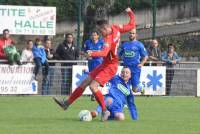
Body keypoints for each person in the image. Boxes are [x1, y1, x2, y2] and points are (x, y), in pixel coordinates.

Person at [53, 7, 136, 122]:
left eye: (100, 30)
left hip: (111, 66)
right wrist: (130, 12)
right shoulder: (116, 28)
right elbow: (131, 25)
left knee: (93, 86)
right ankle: (66, 103)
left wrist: (92, 53)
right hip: (105, 64)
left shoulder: (108, 38)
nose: (100, 33)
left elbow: (104, 52)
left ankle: (105, 110)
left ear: (105, 28)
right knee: (85, 82)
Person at [119, 28, 148, 93]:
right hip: (126, 68)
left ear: (136, 35)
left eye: (133, 33)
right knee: (123, 86)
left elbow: (145, 56)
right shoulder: (125, 44)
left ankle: (141, 88)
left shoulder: (139, 44)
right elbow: (118, 55)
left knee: (135, 90)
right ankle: (125, 101)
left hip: (135, 68)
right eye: (130, 33)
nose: (131, 34)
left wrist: (141, 63)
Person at [82, 30, 104, 101]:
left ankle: (94, 94)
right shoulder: (87, 42)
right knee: (92, 78)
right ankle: (94, 94)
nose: (93, 36)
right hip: (91, 63)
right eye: (92, 35)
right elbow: (82, 51)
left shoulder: (102, 42)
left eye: (95, 35)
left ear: (98, 36)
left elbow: (105, 52)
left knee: (97, 79)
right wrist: (87, 56)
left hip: (100, 63)